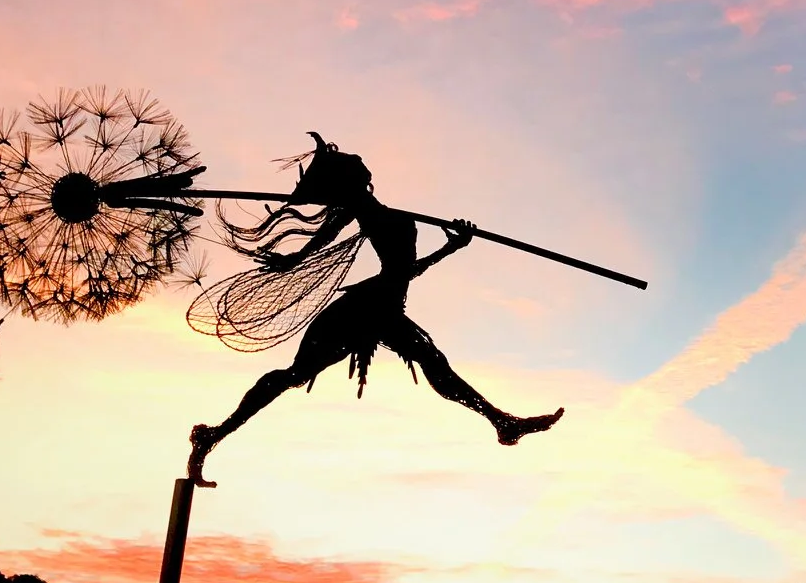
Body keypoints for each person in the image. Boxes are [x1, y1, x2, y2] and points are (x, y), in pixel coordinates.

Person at [187, 135, 562, 486]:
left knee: (416, 365)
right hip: (369, 309)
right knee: (307, 374)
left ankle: (501, 422)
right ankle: (502, 422)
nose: (364, 171)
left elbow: (399, 270)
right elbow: (391, 265)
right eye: (355, 171)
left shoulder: (380, 215)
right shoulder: (373, 214)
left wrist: (450, 248)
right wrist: (451, 248)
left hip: (378, 307)